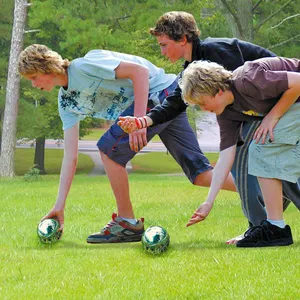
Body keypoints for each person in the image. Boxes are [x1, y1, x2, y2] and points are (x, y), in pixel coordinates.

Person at [18, 44, 236, 244]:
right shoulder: (66, 103)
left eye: (34, 77)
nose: (34, 84)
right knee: (200, 174)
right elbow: (70, 157)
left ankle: (127, 223)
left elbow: (139, 73)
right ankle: (261, 193)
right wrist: (59, 206)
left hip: (162, 95)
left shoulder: (85, 65)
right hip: (164, 97)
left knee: (108, 149)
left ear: (47, 67)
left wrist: (141, 122)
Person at [118, 11, 299, 244]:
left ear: (182, 39)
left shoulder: (221, 56)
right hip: (256, 108)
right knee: (248, 159)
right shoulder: (196, 76)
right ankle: (262, 226)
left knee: (262, 152)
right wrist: (144, 121)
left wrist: (272, 117)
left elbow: (257, 83)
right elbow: (175, 104)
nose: (161, 52)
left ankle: (270, 225)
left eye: (164, 45)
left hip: (285, 101)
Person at [179, 57, 300, 247]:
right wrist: (208, 202)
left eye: (203, 103)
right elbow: (226, 158)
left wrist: (272, 117)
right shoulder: (227, 114)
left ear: (218, 90)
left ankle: (275, 228)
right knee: (269, 152)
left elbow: (298, 83)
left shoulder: (248, 79)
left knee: (261, 148)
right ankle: (275, 227)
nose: (204, 109)